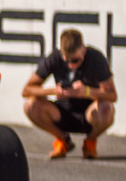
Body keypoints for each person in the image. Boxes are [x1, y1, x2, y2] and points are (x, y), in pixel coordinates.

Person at [22, 28, 116, 160]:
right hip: (62, 111)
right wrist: (53, 91)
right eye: (67, 61)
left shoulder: (96, 58)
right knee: (30, 105)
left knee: (106, 108)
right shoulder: (54, 58)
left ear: (83, 49)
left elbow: (112, 95)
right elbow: (27, 90)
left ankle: (90, 142)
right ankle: (62, 140)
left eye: (76, 61)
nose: (71, 65)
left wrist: (86, 92)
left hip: (90, 113)